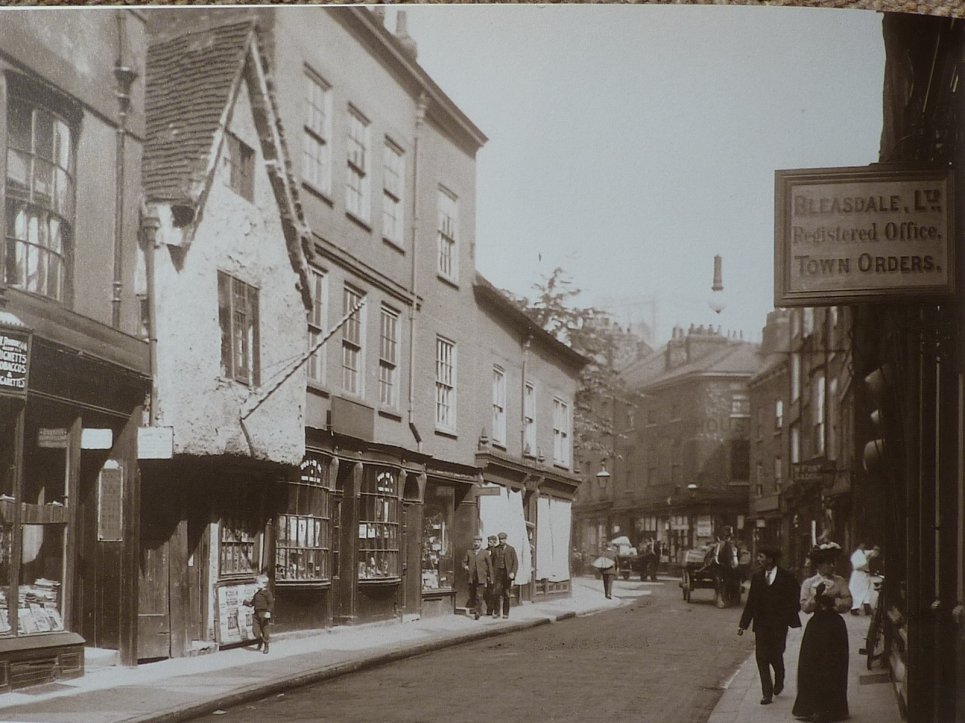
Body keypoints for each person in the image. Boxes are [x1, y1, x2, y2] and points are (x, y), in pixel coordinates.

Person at [793, 543, 852, 722]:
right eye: (827, 563)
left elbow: (848, 602)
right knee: (812, 666)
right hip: (816, 628)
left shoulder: (840, 581)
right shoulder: (809, 583)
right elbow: (804, 607)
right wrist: (815, 598)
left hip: (835, 627)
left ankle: (834, 709)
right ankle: (813, 708)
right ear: (818, 565)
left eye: (833, 562)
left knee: (834, 665)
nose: (832, 566)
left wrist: (835, 603)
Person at [738, 546, 802, 705]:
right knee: (761, 657)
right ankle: (767, 693)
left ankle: (780, 675)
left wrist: (786, 617)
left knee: (775, 654)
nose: (758, 559)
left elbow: (796, 600)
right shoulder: (757, 577)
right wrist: (743, 624)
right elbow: (751, 602)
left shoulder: (787, 577)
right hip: (761, 624)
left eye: (761, 556)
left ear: (770, 559)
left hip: (779, 625)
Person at [463, 535, 492, 620]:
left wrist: (491, 577)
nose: (477, 543)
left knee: (479, 595)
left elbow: (489, 565)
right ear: (473, 543)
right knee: (472, 594)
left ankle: (477, 612)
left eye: (478, 542)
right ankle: (478, 609)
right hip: (472, 577)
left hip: (481, 577)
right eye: (475, 542)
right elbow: (464, 562)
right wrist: (465, 566)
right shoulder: (469, 552)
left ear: (481, 543)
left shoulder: (485, 553)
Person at [490, 532, 518, 619]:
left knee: (506, 593)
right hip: (497, 574)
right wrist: (491, 574)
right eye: (500, 539)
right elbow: (491, 563)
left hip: (507, 574)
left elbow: (515, 563)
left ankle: (506, 613)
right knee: (496, 593)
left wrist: (513, 572)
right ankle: (497, 612)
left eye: (503, 539)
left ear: (506, 539)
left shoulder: (511, 549)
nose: (502, 541)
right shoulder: (495, 549)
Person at [244, 574, 274, 654]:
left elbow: (271, 603)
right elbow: (252, 603)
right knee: (255, 631)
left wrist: (268, 612)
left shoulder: (267, 593)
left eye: (257, 583)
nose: (256, 585)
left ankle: (266, 644)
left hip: (264, 614)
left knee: (265, 630)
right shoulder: (257, 594)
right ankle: (260, 640)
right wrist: (246, 603)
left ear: (264, 584)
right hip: (256, 614)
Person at [848, 542, 878, 616]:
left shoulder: (864, 552)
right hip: (858, 575)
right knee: (857, 591)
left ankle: (867, 607)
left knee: (866, 591)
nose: (864, 545)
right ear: (859, 545)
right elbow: (856, 566)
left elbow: (874, 553)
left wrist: (875, 549)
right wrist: (865, 565)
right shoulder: (856, 555)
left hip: (864, 575)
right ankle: (854, 608)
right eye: (862, 544)